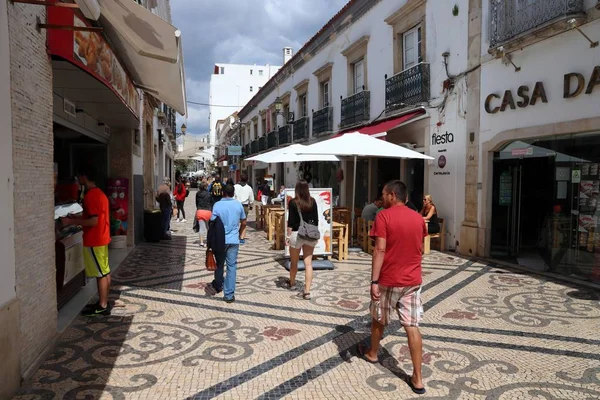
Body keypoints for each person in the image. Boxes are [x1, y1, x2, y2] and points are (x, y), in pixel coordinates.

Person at [358, 180, 427, 395]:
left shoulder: (383, 216)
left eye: (384, 193)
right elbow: (421, 248)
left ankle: (373, 353)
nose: (383, 197)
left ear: (392, 195)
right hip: (412, 280)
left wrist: (374, 281)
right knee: (412, 325)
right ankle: (417, 377)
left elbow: (379, 249)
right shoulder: (418, 218)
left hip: (389, 278)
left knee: (379, 318)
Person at [61, 167, 112, 316]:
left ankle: (102, 305)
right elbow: (92, 217)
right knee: (104, 271)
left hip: (95, 240)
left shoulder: (92, 196)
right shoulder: (99, 194)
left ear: (84, 177)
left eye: (79, 176)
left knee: (101, 273)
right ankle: (104, 301)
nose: (78, 179)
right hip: (101, 238)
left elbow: (93, 221)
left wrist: (71, 221)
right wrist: (76, 218)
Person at [210, 183, 246, 303]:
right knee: (232, 266)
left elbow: (212, 222)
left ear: (223, 192)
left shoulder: (217, 205)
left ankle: (218, 284)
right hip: (234, 240)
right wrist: (240, 234)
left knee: (219, 263)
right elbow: (244, 222)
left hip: (220, 240)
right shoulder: (238, 205)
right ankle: (229, 295)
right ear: (233, 193)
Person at [285, 179, 319, 300]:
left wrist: (288, 237)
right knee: (308, 263)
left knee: (294, 262)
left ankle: (292, 283)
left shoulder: (294, 202)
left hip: (296, 234)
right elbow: (316, 220)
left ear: (297, 190)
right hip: (310, 235)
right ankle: (307, 291)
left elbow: (291, 222)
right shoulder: (313, 202)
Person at [234, 173, 254, 244]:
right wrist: (251, 205)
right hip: (244, 206)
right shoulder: (249, 188)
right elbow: (251, 199)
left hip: (236, 205)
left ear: (240, 179)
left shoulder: (235, 187)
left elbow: (232, 196)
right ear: (247, 180)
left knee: (235, 222)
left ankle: (235, 235)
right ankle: (242, 237)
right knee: (244, 223)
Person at [195, 182, 213, 247]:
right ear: (206, 187)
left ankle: (201, 242)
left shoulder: (198, 194)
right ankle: (209, 242)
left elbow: (196, 203)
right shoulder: (209, 194)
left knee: (201, 228)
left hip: (200, 211)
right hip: (208, 211)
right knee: (209, 228)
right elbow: (212, 203)